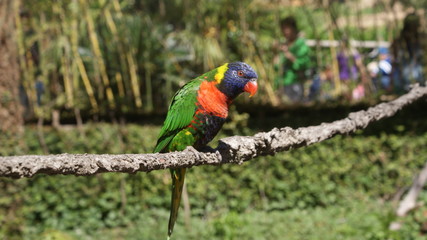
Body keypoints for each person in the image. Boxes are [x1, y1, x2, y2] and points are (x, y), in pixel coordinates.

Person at [274, 16, 310, 103]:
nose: (284, 31)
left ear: (293, 28)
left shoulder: (301, 44)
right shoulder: (284, 45)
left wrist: (288, 54)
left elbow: (302, 65)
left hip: (295, 84)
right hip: (283, 85)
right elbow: (276, 66)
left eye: (286, 28)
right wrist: (276, 52)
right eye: (282, 28)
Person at [391, 13, 426, 93]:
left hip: (419, 75)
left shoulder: (420, 38)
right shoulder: (401, 40)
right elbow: (394, 52)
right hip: (406, 76)